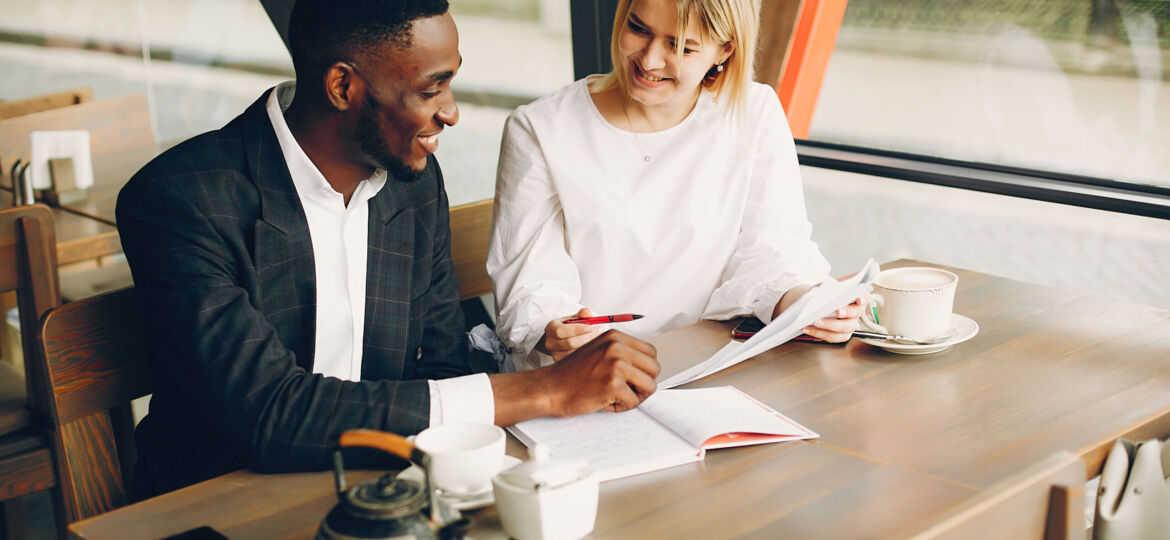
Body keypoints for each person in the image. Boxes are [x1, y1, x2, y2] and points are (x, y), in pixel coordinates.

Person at [116, 0, 658, 499]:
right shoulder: (181, 200)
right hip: (223, 506)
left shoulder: (412, 184)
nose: (450, 111)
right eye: (431, 90)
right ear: (342, 88)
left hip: (384, 489)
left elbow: (443, 363)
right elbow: (270, 414)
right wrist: (541, 391)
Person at [488, 0, 865, 370]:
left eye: (681, 46)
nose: (649, 60)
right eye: (638, 28)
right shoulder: (541, 128)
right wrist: (553, 328)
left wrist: (803, 304)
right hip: (588, 375)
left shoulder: (754, 112)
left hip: (711, 365)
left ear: (724, 49)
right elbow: (530, 285)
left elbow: (773, 247)